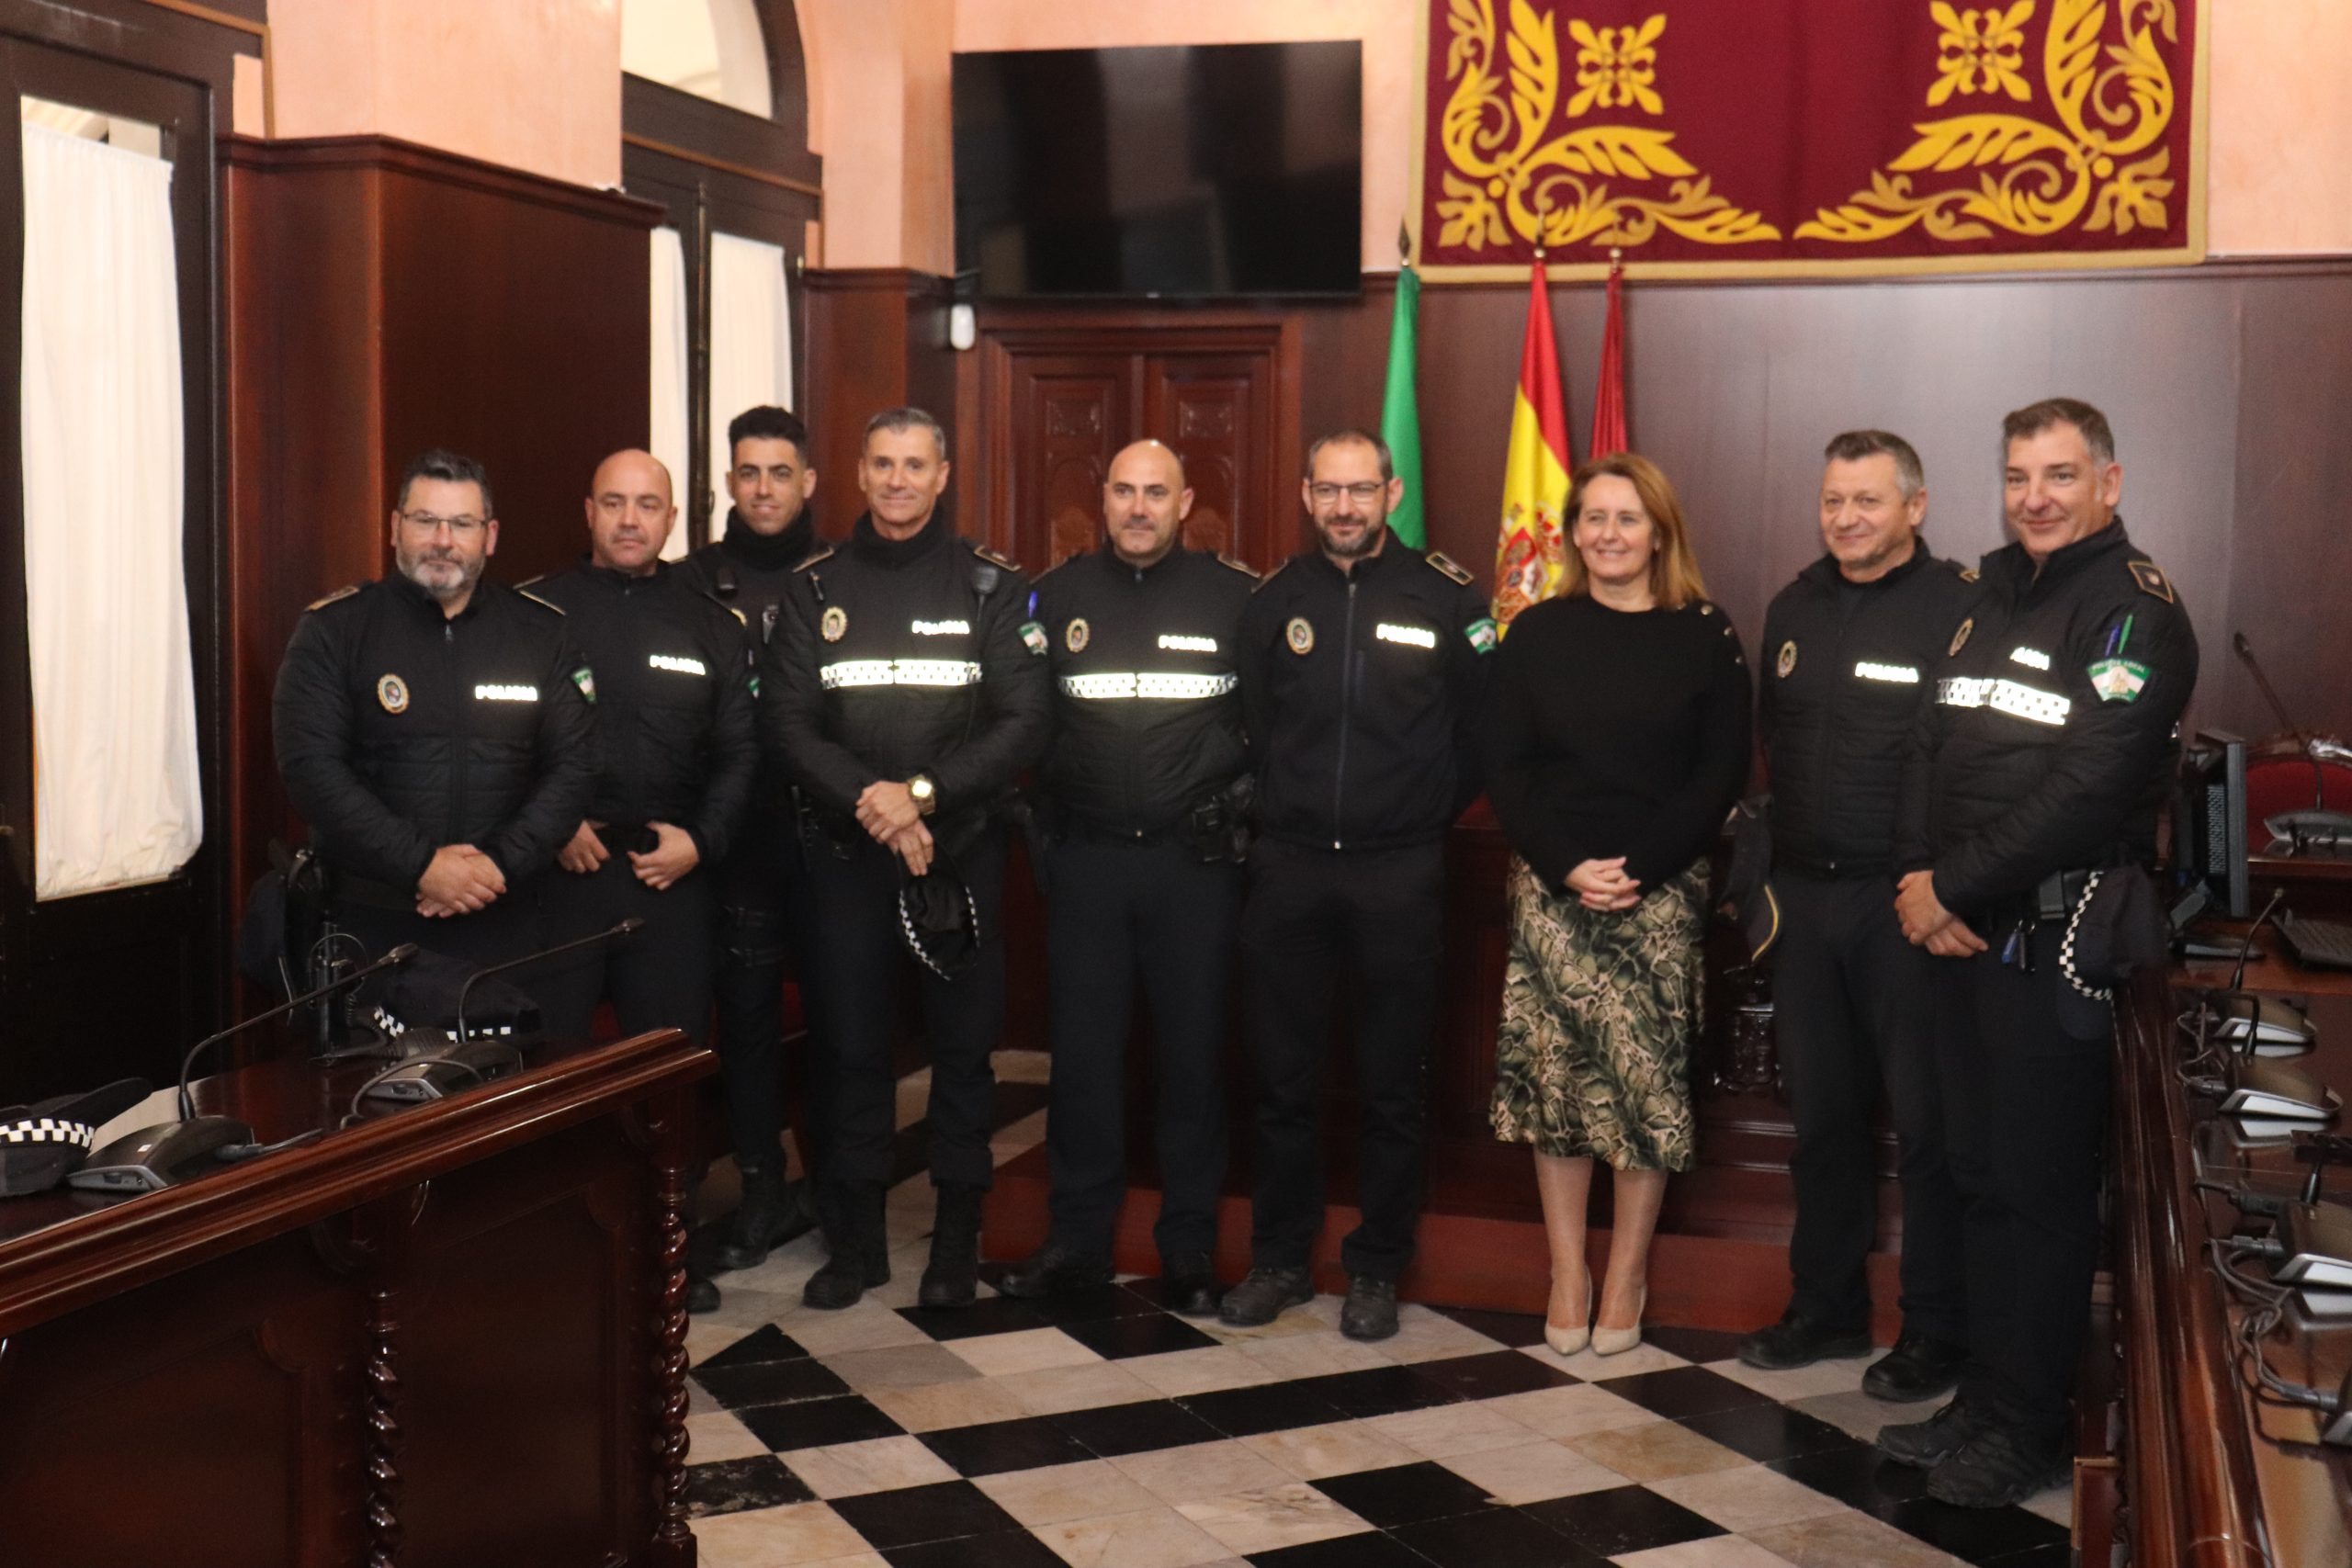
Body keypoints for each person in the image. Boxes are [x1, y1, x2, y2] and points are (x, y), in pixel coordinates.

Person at [1883, 398, 2197, 1506]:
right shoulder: (1986, 598)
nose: (2036, 498)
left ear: (2108, 484)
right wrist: (1920, 884)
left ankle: (2028, 1426)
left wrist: (1951, 885)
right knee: (1970, 1178)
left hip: (2047, 939)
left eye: (2060, 476)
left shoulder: (2132, 613)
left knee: (2037, 1191)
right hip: (1953, 935)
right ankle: (1981, 1397)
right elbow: (1930, 741)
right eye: (2019, 476)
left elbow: (2089, 787)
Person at [764, 407, 1049, 1311]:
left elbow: (1024, 721)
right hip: (848, 859)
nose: (896, 480)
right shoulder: (814, 590)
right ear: (858, 472)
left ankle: (955, 1244)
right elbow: (787, 723)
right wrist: (878, 805)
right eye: (882, 463)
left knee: (964, 1058)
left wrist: (920, 795)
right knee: (851, 1052)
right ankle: (855, 1247)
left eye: (913, 465)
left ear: (942, 474)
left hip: (958, 856)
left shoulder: (990, 589)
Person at [1220, 430, 1494, 1342]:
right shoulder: (1273, 603)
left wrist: (1414, 815)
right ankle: (1280, 1260)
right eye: (1328, 491)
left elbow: (1479, 733)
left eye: (1361, 490)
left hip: (1398, 869)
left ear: (1392, 491)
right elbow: (1254, 726)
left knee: (1389, 1083)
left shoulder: (1446, 598)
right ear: (1305, 496)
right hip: (1289, 870)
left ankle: (1376, 1268)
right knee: (1283, 1083)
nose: (1344, 507)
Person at [1485, 453, 1749, 1359]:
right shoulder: (1537, 633)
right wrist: (1566, 865)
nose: (1608, 535)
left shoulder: (1705, 634)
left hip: (1659, 892)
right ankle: (1568, 1270)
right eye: (1593, 518)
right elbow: (1506, 768)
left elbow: (1718, 774)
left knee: (1642, 1094)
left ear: (1660, 532)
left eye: (1627, 519)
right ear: (1573, 534)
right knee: (1554, 1091)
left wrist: (1638, 865)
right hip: (1554, 891)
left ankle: (1628, 1273)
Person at [1737, 432, 1972, 1401]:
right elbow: (1769, 742)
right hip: (1805, 900)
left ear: (1915, 507)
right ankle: (1824, 1307)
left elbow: (1973, 758)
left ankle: (1933, 1330)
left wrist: (1941, 882)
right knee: (1821, 1123)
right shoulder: (1793, 606)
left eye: (1867, 501)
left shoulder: (1959, 609)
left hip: (1904, 905)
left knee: (1927, 1128)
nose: (1845, 519)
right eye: (1833, 500)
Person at [997, 440, 1256, 1318]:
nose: (1139, 507)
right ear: (1101, 500)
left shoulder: (1234, 598)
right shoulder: (1055, 597)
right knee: (1083, 1063)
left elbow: (1268, 726)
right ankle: (1076, 1243)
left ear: (1187, 505)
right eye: (1124, 491)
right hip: (1091, 864)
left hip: (1195, 866)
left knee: (1192, 1063)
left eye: (1157, 492)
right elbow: (1021, 725)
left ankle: (1186, 1249)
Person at [273, 449, 596, 1014]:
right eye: (425, 520)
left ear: (489, 535)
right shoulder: (335, 631)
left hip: (507, 923)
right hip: (372, 928)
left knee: (506, 1095)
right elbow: (312, 771)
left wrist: (495, 866)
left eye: (462, 524)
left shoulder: (541, 634)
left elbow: (573, 769)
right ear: (396, 527)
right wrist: (425, 866)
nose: (443, 539)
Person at [529, 448, 756, 1066]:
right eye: (614, 503)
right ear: (589, 512)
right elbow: (503, 741)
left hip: (671, 877)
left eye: (647, 505)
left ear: (671, 518)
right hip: (561, 875)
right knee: (548, 1066)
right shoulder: (532, 615)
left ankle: (673, 1171)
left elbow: (740, 751)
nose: (630, 519)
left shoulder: (713, 624)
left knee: (669, 1071)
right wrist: (551, 825)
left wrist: (701, 842)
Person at [676, 407, 826, 1294]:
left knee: (849, 1023)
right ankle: (762, 1186)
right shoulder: (691, 582)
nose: (764, 488)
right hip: (734, 840)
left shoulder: (844, 573)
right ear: (729, 483)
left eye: (780, 472)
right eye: (749, 472)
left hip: (835, 836)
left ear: (809, 481)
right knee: (749, 1024)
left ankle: (845, 1191)